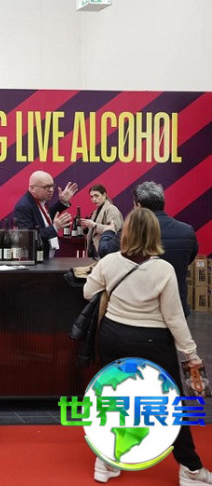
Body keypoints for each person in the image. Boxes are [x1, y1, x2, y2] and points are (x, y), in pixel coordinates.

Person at [84, 208, 211, 485]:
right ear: (154, 234)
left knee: (114, 398)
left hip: (112, 335)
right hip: (152, 342)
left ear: (125, 233)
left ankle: (105, 461)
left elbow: (87, 291)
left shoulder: (109, 262)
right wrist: (190, 353)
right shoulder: (162, 269)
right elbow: (174, 317)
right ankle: (190, 469)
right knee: (170, 403)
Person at [133, 181, 198, 317]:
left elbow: (108, 252)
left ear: (138, 206)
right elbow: (189, 259)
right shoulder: (187, 231)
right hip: (177, 308)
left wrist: (108, 232)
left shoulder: (133, 233)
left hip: (143, 309)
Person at [13, 170, 77, 259]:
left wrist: (62, 202)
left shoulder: (40, 199)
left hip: (46, 255)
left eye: (52, 186)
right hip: (35, 259)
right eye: (46, 187)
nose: (51, 190)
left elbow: (46, 217)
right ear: (33, 188)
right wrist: (54, 228)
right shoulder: (24, 206)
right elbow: (28, 238)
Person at [79, 184, 124, 259]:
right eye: (91, 197)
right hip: (95, 253)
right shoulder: (96, 211)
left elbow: (115, 231)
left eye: (96, 196)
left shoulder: (112, 209)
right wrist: (87, 227)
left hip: (107, 254)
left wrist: (94, 225)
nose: (94, 199)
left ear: (104, 195)